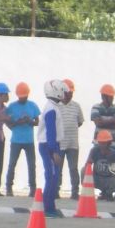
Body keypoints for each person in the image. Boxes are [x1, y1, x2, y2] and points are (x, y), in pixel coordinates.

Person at [4, 82, 40, 197]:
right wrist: (16, 123)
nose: (23, 98)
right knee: (12, 164)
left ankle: (32, 188)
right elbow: (7, 121)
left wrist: (30, 121)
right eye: (21, 96)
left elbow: (37, 122)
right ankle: (9, 187)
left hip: (29, 141)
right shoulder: (12, 107)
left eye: (25, 96)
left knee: (31, 165)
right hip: (16, 140)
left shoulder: (32, 106)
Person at [37, 79, 67, 218]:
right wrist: (54, 151)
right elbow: (51, 131)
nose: (64, 94)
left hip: (51, 145)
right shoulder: (51, 109)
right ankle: (46, 207)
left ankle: (50, 205)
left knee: (54, 177)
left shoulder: (53, 107)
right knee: (51, 176)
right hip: (48, 146)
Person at [56, 78, 84, 199]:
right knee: (58, 168)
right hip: (60, 143)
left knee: (73, 168)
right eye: (68, 92)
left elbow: (80, 122)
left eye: (71, 93)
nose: (70, 95)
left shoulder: (76, 106)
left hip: (73, 144)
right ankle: (56, 190)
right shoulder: (56, 106)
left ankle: (75, 191)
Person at [87, 130, 115, 201]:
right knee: (83, 171)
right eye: (100, 142)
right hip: (97, 178)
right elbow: (87, 165)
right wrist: (89, 162)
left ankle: (108, 193)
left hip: (109, 179)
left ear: (109, 143)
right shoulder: (94, 151)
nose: (102, 145)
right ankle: (88, 193)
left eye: (104, 143)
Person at [90, 84, 115, 153]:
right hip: (98, 145)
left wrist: (102, 120)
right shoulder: (95, 107)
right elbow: (98, 123)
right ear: (103, 96)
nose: (112, 98)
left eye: (112, 96)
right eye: (110, 96)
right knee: (98, 163)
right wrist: (112, 120)